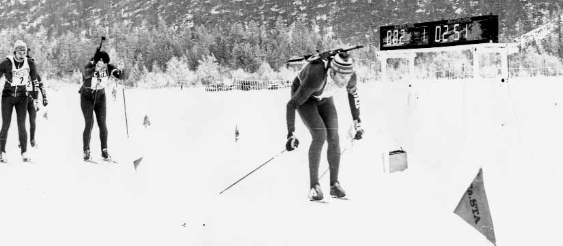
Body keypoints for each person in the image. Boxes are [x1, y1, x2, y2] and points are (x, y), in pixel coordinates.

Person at [285, 52, 364, 201]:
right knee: (320, 135)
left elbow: (353, 95)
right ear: (331, 72)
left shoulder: (349, 76)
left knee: (334, 136)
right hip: (305, 97)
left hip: (324, 98)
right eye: (340, 77)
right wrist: (291, 133)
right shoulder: (317, 75)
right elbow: (292, 104)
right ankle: (314, 187)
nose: (343, 81)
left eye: (346, 78)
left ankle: (334, 185)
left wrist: (357, 121)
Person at [0, 40, 40, 162]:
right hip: (7, 96)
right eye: (19, 52)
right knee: (6, 124)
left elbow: (35, 82)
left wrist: (36, 99)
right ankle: (2, 151)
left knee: (22, 125)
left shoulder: (30, 64)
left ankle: (24, 152)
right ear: (14, 52)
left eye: (24, 52)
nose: (22, 54)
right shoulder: (7, 63)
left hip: (22, 97)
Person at [80, 48, 123, 161]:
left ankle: (104, 151)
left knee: (102, 124)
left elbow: (118, 75)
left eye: (103, 62)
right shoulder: (90, 66)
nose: (101, 64)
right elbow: (86, 76)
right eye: (99, 62)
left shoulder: (108, 67)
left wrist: (120, 71)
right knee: (89, 124)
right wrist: (95, 70)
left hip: (100, 97)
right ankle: (86, 151)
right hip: (87, 97)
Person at [24, 48, 48, 148]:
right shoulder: (22, 74)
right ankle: (21, 140)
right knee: (22, 121)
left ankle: (32, 139)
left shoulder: (36, 75)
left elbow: (41, 86)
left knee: (32, 121)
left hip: (34, 100)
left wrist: (45, 97)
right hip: (23, 99)